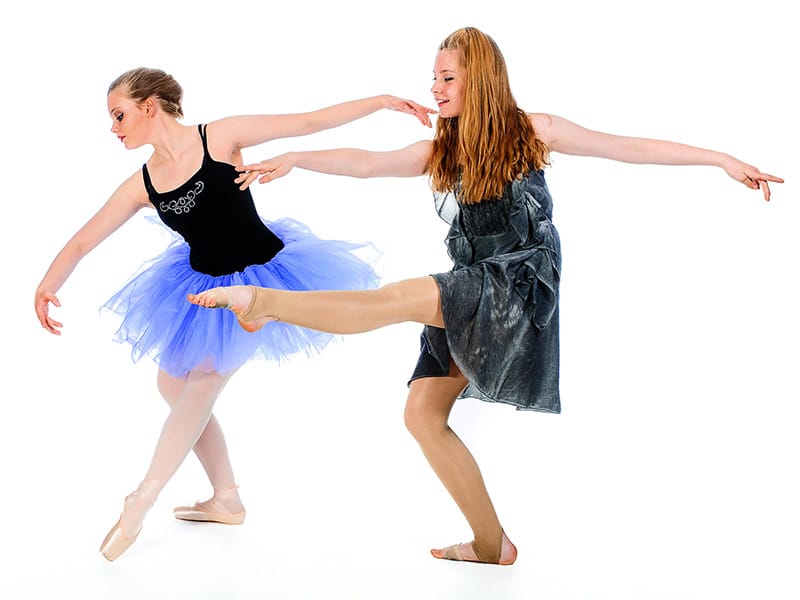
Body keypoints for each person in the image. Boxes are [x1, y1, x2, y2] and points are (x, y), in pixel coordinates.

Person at [186, 26, 784, 566]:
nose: (436, 88)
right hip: (478, 280)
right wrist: (297, 159)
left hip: (520, 282)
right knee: (422, 415)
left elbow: (626, 146)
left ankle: (261, 304)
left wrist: (721, 160)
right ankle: (492, 545)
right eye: (434, 78)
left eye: (447, 78)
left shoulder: (532, 131)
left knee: (397, 298)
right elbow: (367, 163)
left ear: (481, 79)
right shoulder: (441, 152)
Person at [33, 66, 435, 561]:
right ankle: (226, 498)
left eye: (118, 115)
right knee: (171, 385)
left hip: (261, 280)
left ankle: (142, 498)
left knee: (202, 381)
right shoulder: (143, 183)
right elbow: (83, 239)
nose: (113, 128)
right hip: (201, 286)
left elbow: (307, 122)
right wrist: (48, 285)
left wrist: (381, 101)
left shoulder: (219, 137)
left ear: (149, 107)